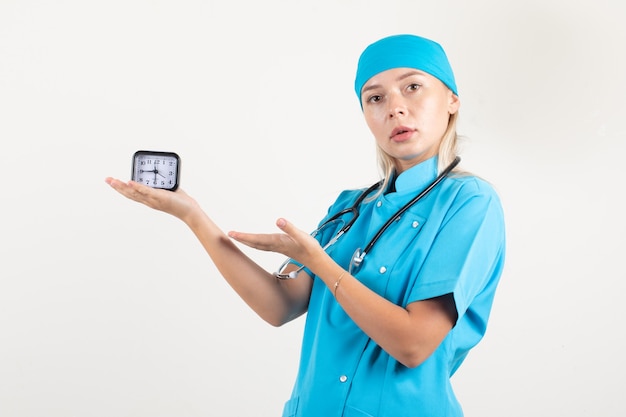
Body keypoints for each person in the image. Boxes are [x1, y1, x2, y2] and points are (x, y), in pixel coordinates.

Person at [105, 34, 506, 417]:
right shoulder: (350, 207)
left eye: (413, 87)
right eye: (375, 98)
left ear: (452, 99)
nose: (394, 108)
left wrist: (319, 261)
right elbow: (278, 305)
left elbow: (414, 344)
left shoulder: (470, 202)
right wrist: (192, 215)